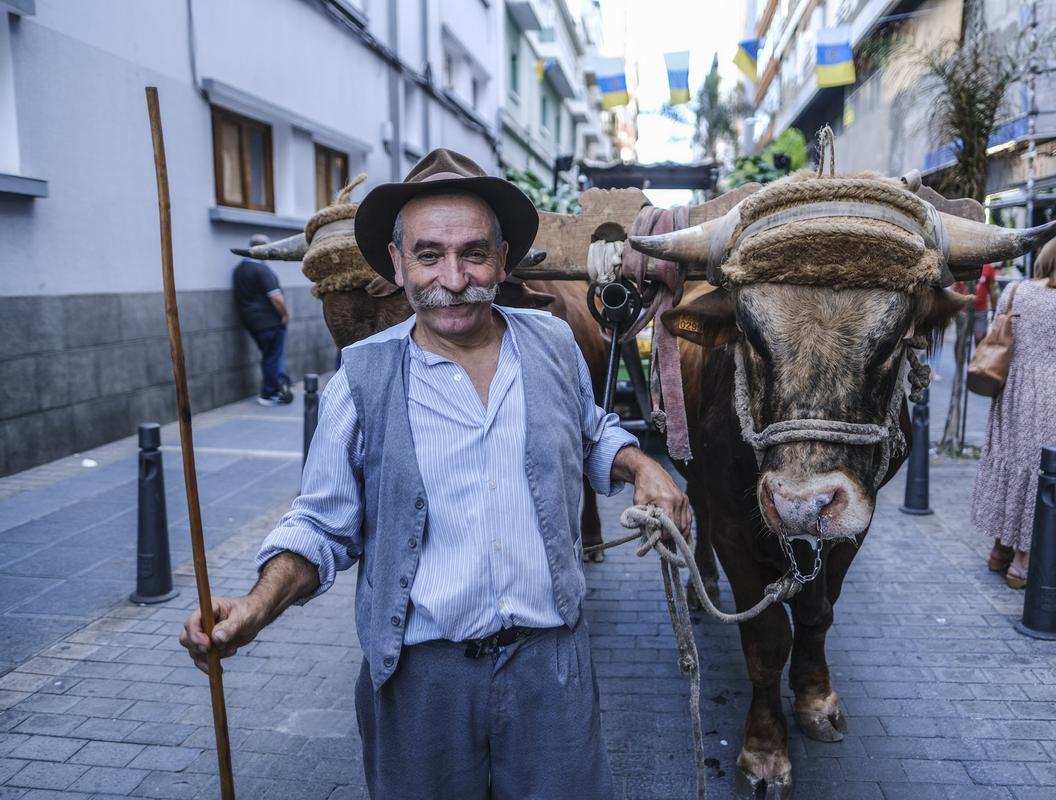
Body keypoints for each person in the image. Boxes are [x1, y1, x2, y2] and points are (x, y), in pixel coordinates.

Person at [180, 149, 692, 798]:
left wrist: (642, 464)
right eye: (428, 255)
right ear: (396, 266)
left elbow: (590, 428)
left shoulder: (552, 342)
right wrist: (256, 607)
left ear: (503, 260)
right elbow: (319, 525)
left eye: (474, 253)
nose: (453, 277)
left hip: (551, 669)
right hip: (423, 683)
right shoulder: (361, 378)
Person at [972, 237, 1056, 589]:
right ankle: (1023, 562)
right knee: (1046, 471)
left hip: (1012, 389)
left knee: (1013, 462)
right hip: (1054, 395)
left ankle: (999, 551)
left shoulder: (1016, 289)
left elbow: (1001, 331)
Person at [233, 234, 293, 405]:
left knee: (269, 356)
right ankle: (270, 393)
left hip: (252, 322)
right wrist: (285, 314)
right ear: (264, 250)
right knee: (273, 357)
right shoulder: (262, 269)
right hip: (270, 322)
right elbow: (276, 298)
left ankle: (275, 388)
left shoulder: (239, 269)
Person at [974, 261, 999, 345]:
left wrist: (994, 309)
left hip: (981, 309)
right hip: (965, 310)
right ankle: (960, 358)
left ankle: (978, 357)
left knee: (980, 338)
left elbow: (993, 290)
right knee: (961, 339)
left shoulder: (988, 268)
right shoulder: (963, 264)